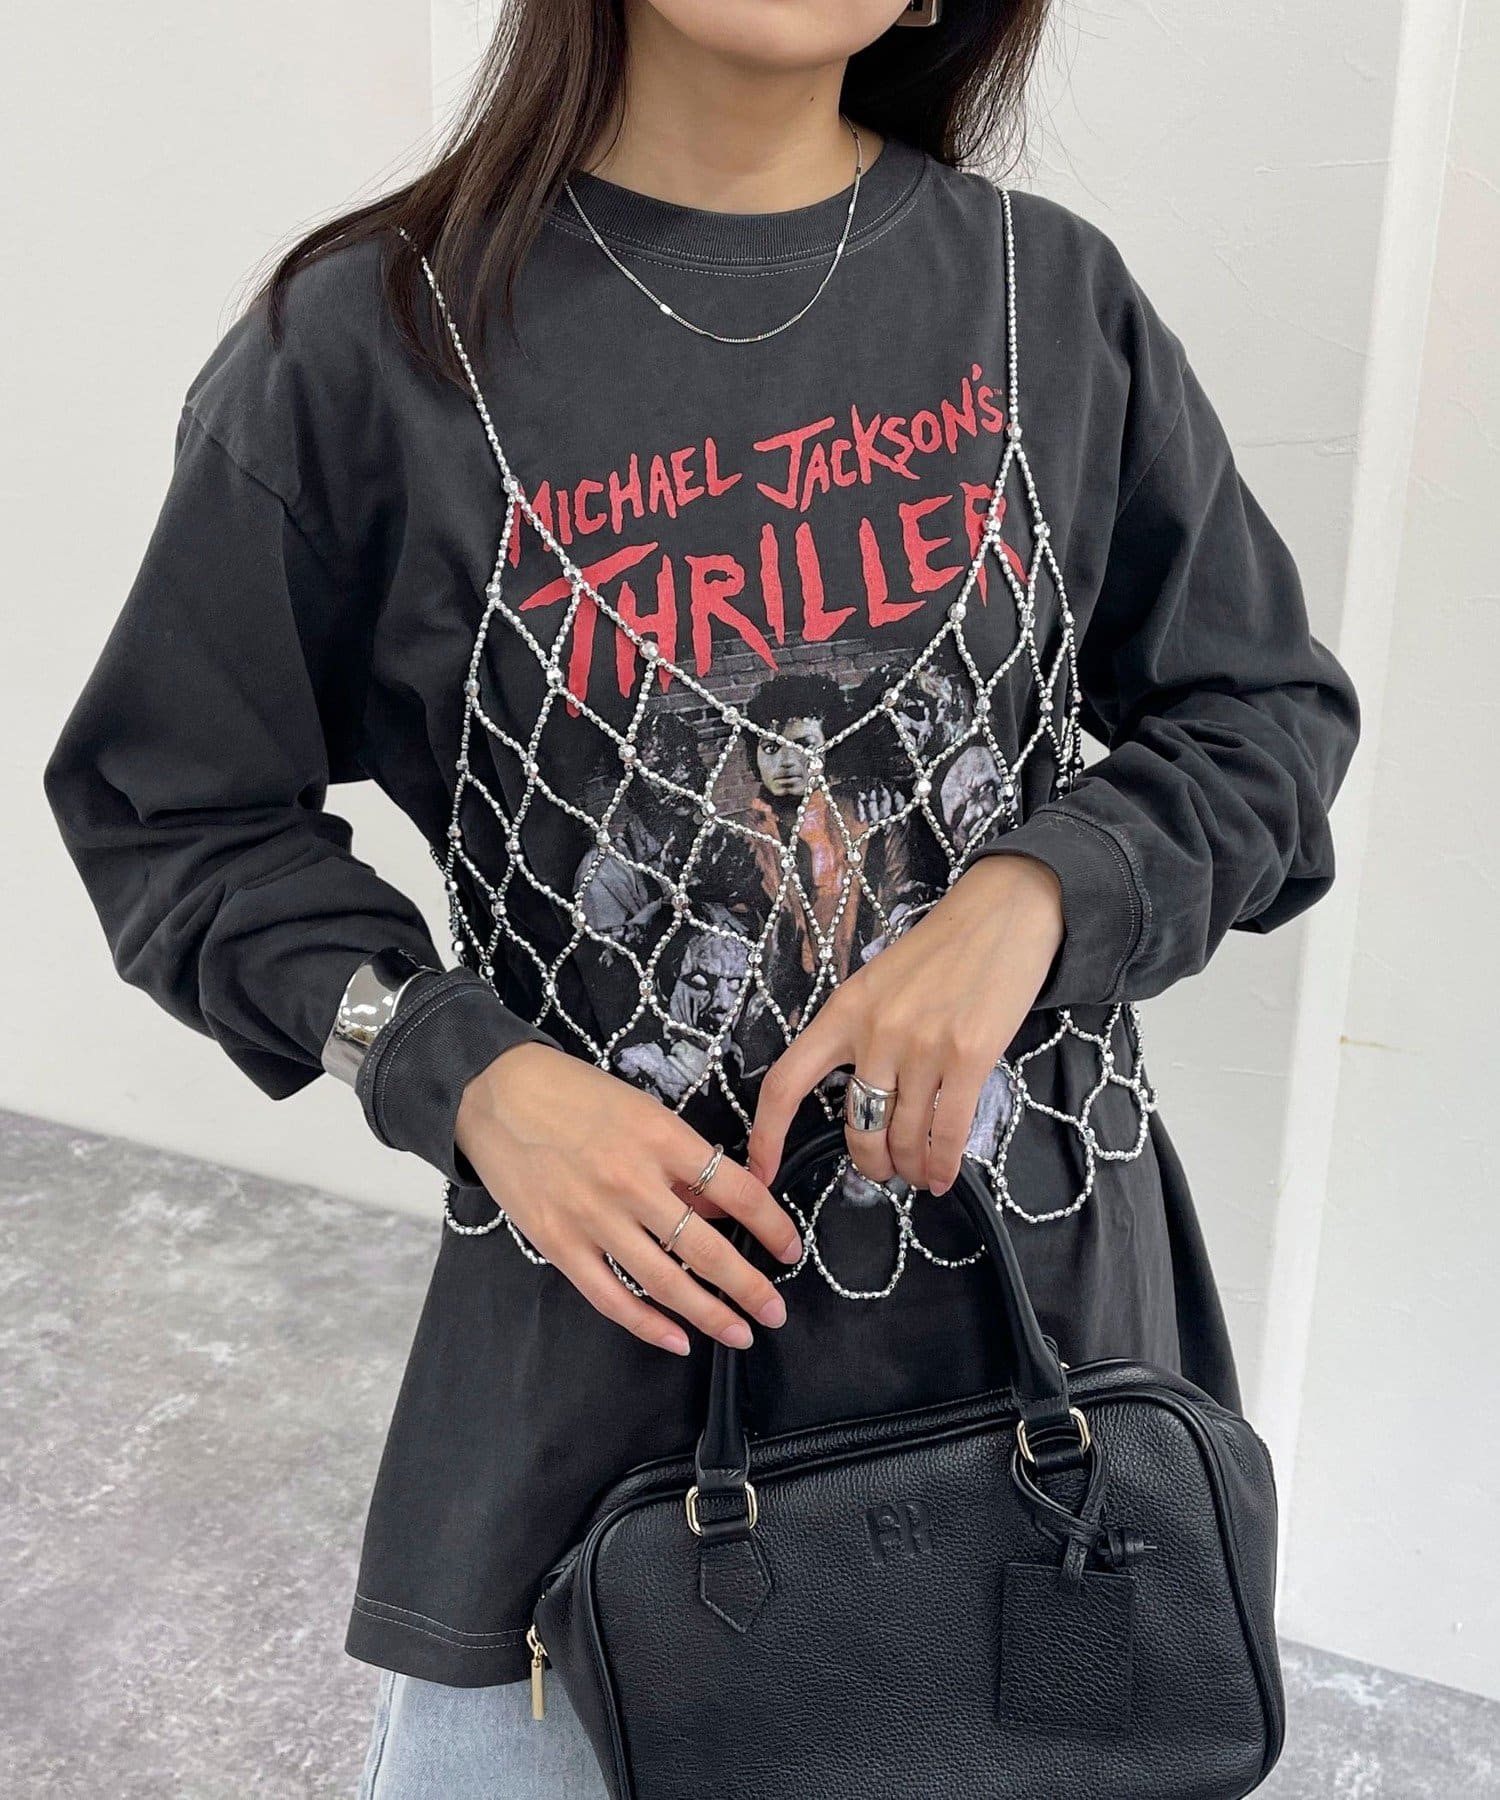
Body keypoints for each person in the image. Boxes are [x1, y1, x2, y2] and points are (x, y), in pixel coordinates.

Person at [42, 0, 1360, 1793]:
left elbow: (1262, 715)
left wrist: (1036, 896)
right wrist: (463, 1073)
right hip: (600, 1424)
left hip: (1049, 1373)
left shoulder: (1046, 298)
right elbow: (173, 815)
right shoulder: (368, 349)